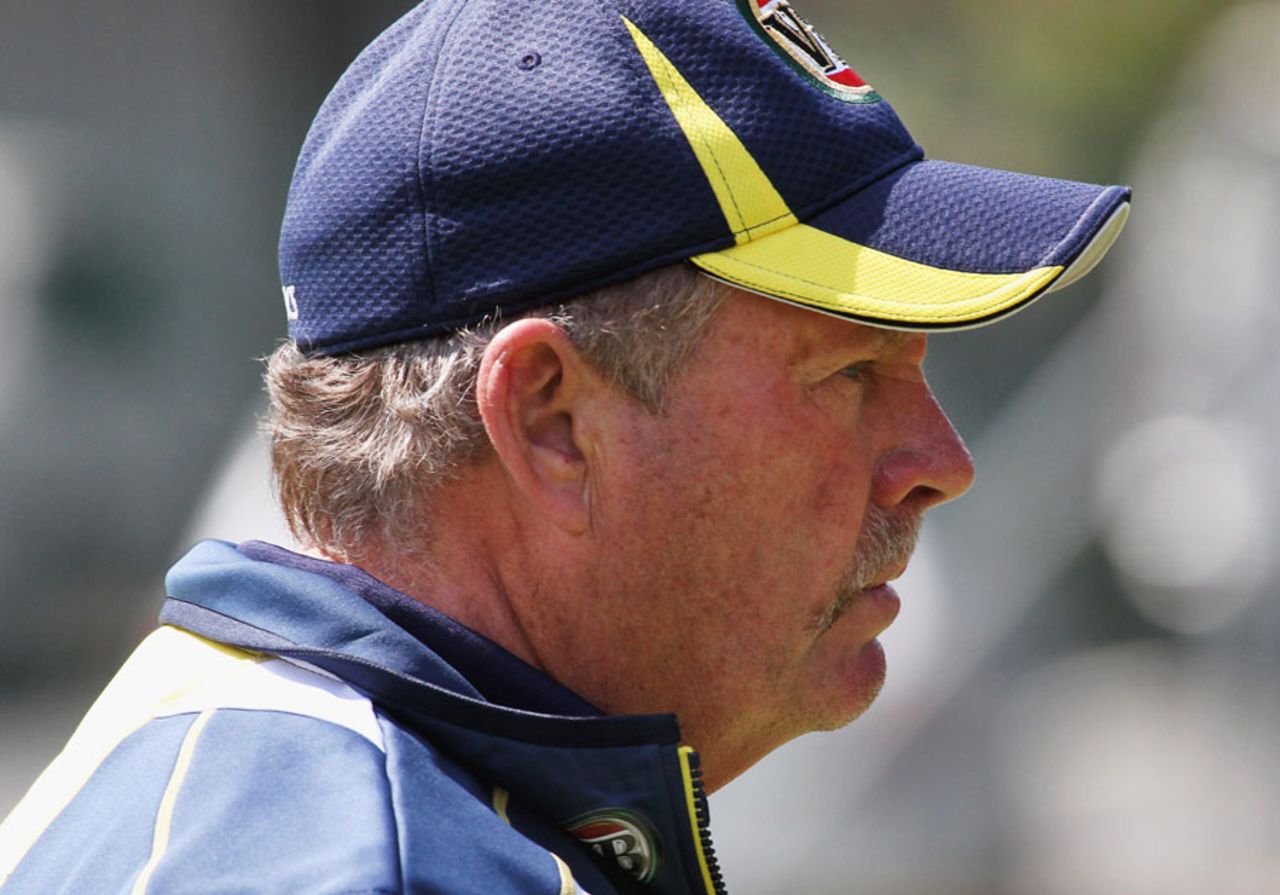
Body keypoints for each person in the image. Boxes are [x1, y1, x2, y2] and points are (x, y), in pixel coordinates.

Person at [0, 0, 1130, 892]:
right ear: (548, 418)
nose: (939, 461)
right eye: (846, 374)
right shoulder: (368, 863)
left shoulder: (315, 778)